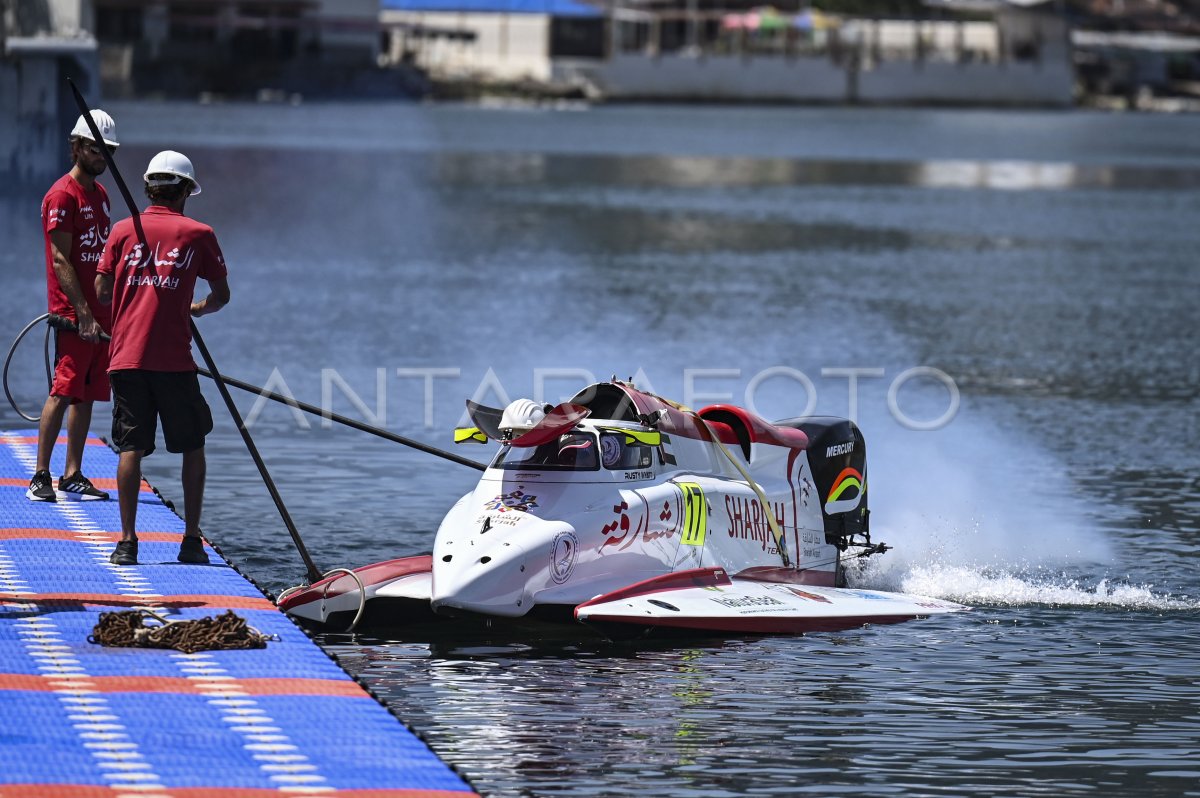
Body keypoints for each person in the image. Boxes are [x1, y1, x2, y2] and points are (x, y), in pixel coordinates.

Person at [96, 151, 230, 566]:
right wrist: (195, 307)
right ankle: (191, 541)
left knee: (131, 447)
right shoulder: (198, 234)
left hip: (126, 358)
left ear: (149, 187)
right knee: (193, 444)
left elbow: (101, 290)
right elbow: (222, 296)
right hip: (174, 361)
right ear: (186, 191)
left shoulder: (122, 230)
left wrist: (133, 286)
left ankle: (126, 543)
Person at [28, 110, 120, 502]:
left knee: (87, 394)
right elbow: (61, 258)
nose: (102, 155)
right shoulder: (62, 195)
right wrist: (81, 311)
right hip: (72, 314)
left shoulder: (100, 196)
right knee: (63, 390)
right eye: (96, 148)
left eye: (108, 150)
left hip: (101, 315)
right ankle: (40, 475)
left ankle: (73, 473)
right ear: (77, 147)